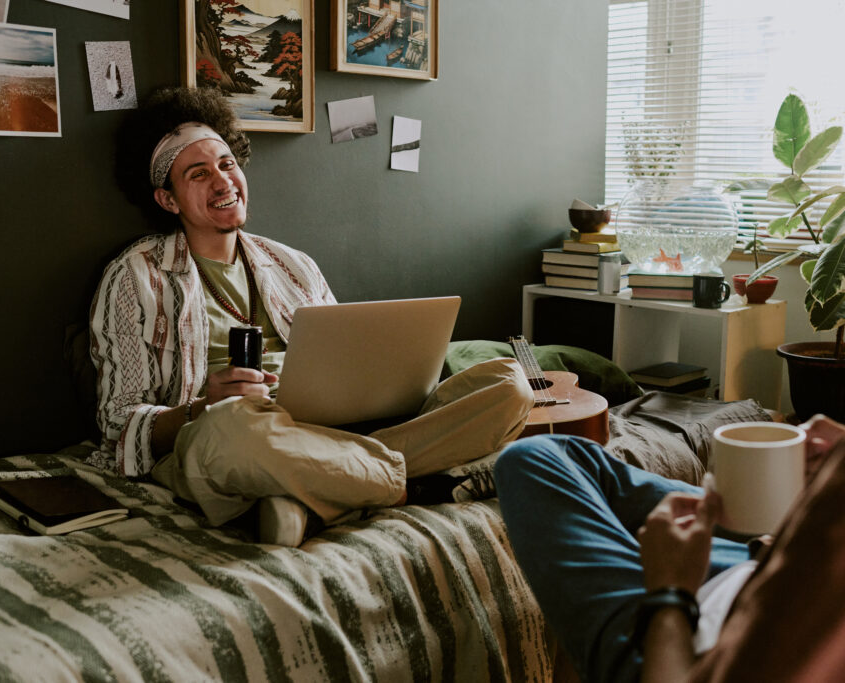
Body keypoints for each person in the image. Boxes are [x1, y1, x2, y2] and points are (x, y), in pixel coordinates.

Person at [494, 16, 845, 683]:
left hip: (695, 635)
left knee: (530, 462)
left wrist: (670, 591)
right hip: (769, 573)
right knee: (552, 453)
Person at [89, 87, 533, 546]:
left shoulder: (293, 264)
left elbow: (346, 358)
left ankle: (317, 493)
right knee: (234, 428)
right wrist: (202, 407)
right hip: (226, 435)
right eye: (198, 174)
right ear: (168, 200)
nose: (222, 182)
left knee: (507, 382)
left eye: (227, 164)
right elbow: (118, 425)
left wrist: (373, 387)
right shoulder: (135, 276)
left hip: (325, 427)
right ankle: (409, 486)